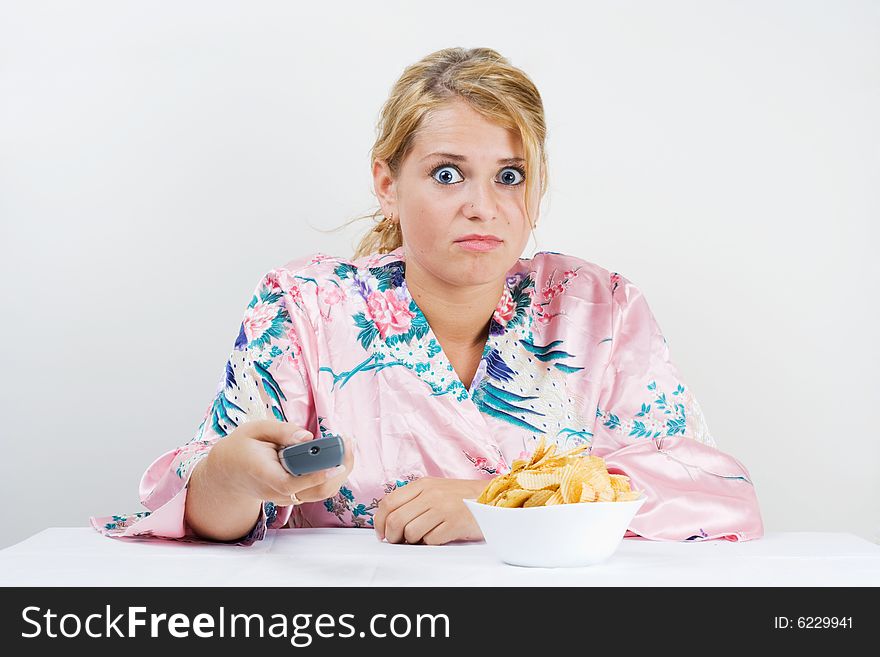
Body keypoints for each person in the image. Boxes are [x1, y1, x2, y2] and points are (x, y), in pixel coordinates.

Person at [90, 47, 763, 547]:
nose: (484, 207)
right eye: (447, 174)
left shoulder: (598, 309)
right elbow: (201, 514)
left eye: (509, 175)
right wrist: (233, 478)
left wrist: (496, 505)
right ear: (387, 183)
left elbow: (713, 492)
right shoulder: (306, 307)